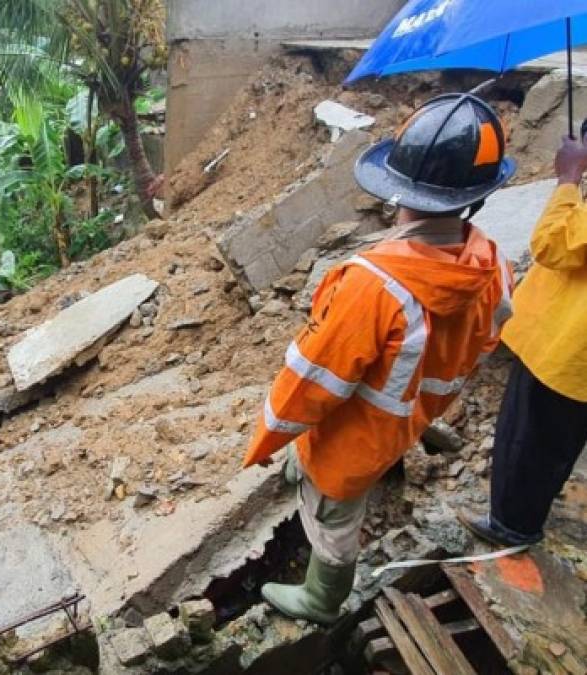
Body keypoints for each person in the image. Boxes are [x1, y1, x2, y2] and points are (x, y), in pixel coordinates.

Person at [242, 93, 517, 625]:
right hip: (410, 415)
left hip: (355, 436)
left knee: (335, 511)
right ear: (475, 196)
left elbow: (311, 383)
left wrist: (268, 439)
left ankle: (323, 598)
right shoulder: (488, 261)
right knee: (357, 463)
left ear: (398, 190)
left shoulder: (371, 285)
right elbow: (488, 336)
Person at [459, 136, 587, 546]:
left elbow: (552, 244)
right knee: (557, 442)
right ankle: (526, 511)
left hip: (564, 352)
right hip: (568, 353)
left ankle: (512, 527)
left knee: (531, 440)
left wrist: (568, 179)